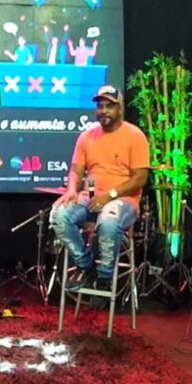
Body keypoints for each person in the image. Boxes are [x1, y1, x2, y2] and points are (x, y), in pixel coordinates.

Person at [50, 85, 150, 309]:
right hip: (91, 197)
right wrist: (72, 190)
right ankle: (86, 267)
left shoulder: (135, 136)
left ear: (120, 109)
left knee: (108, 220)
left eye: (109, 106)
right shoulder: (87, 136)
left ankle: (104, 278)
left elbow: (140, 178)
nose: (103, 111)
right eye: (100, 106)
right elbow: (76, 170)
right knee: (58, 215)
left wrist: (110, 196)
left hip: (123, 200)